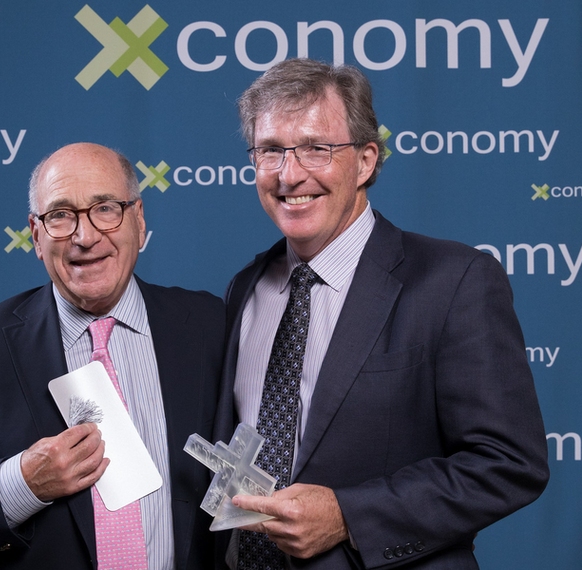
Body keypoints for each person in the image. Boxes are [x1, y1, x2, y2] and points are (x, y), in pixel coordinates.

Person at [216, 58, 550, 569]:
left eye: (315, 149)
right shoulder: (246, 287)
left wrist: (348, 515)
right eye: (271, 151)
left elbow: (508, 463)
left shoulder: (454, 280)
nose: (290, 173)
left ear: (366, 161)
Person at [0, 142, 225, 569]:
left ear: (138, 218)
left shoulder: (209, 325)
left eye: (105, 208)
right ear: (36, 235)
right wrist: (24, 483)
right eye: (60, 215)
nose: (85, 236)